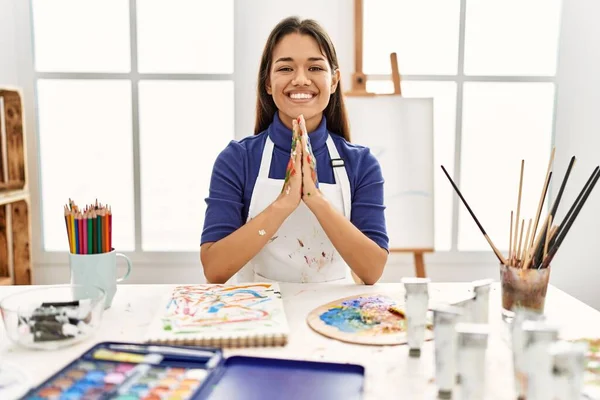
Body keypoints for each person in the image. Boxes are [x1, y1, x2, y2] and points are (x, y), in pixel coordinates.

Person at [200, 16, 388, 284]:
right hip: (260, 314)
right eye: (286, 69)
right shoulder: (237, 159)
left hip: (332, 315)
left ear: (334, 81)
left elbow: (371, 271)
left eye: (315, 68)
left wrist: (315, 199)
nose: (301, 80)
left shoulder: (361, 163)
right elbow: (215, 269)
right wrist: (284, 202)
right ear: (268, 82)